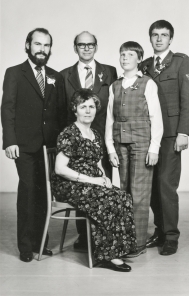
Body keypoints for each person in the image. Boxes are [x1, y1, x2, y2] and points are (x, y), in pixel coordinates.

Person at [51, 88, 137, 272]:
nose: (88, 111)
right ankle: (108, 255)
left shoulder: (95, 134)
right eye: (83, 107)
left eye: (91, 106)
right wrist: (92, 180)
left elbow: (97, 163)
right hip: (69, 184)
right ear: (75, 109)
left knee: (123, 196)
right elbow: (60, 169)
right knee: (107, 199)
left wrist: (103, 177)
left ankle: (118, 248)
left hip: (91, 181)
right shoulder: (69, 133)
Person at [1, 28, 67, 262]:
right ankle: (26, 247)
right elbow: (7, 108)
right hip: (24, 146)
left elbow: (59, 112)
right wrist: (9, 141)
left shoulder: (56, 76)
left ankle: (42, 242)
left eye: (46, 45)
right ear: (28, 46)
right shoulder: (14, 73)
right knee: (28, 192)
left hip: (49, 147)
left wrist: (62, 145)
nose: (42, 49)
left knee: (43, 194)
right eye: (37, 44)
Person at [141, 20, 189, 255]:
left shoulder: (181, 62)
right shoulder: (143, 65)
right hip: (148, 136)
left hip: (171, 134)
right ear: (150, 38)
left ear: (171, 39)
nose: (159, 39)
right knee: (152, 186)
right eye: (155, 35)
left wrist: (183, 132)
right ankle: (160, 231)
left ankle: (171, 237)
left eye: (164, 35)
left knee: (166, 185)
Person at [105, 41, 163, 258]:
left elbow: (155, 117)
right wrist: (110, 147)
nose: (125, 58)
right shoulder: (115, 86)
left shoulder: (147, 83)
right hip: (121, 144)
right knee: (125, 193)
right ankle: (125, 239)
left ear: (139, 59)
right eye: (122, 54)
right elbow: (110, 119)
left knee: (139, 194)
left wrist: (154, 148)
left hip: (142, 144)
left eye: (130, 54)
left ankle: (136, 244)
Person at [60, 31, 117, 250]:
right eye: (81, 45)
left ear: (96, 46)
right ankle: (84, 237)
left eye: (90, 44)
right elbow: (62, 111)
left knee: (104, 186)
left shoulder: (110, 72)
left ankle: (103, 234)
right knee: (82, 185)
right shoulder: (64, 75)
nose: (86, 48)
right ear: (75, 48)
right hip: (77, 142)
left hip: (103, 139)